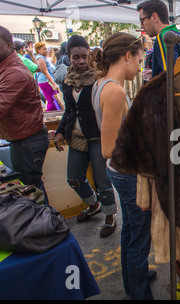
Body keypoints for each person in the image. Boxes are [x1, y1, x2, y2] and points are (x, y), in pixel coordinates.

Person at [89, 32, 156, 300]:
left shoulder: (101, 84)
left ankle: (133, 279)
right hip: (127, 173)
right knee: (139, 237)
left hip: (121, 173)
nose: (140, 66)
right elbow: (108, 149)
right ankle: (139, 292)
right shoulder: (115, 91)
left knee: (130, 230)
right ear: (127, 56)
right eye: (139, 59)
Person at [54, 35, 117, 237]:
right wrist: (60, 131)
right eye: (76, 58)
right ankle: (94, 204)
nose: (81, 61)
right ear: (69, 58)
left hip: (98, 137)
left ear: (89, 55)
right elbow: (69, 111)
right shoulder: (68, 81)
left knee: (103, 181)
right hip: (77, 137)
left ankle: (110, 216)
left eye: (84, 56)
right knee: (73, 178)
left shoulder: (99, 79)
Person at [0, 26, 49, 204]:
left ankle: (48, 227)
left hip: (28, 140)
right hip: (23, 138)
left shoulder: (14, 72)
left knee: (32, 191)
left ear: (8, 45)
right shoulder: (7, 68)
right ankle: (48, 225)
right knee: (32, 189)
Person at [136, 0, 180, 78]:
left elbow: (170, 76)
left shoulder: (164, 38)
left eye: (142, 21)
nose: (142, 26)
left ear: (154, 17)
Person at [34, 42, 61, 111]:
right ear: (38, 50)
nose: (46, 51)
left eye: (46, 49)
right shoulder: (40, 59)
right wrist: (53, 84)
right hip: (46, 81)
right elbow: (45, 72)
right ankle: (52, 114)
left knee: (51, 99)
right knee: (51, 99)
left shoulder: (42, 58)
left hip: (46, 81)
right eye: (44, 49)